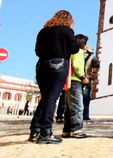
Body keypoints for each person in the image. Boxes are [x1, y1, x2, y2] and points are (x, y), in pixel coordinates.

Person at [29, 10, 79, 144]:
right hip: (58, 65)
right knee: (51, 99)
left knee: (45, 98)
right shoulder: (67, 31)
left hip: (42, 65)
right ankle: (46, 132)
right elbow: (74, 49)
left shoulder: (43, 31)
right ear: (69, 20)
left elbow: (37, 51)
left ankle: (35, 131)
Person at [62, 34, 90, 138]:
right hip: (76, 81)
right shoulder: (78, 52)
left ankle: (67, 130)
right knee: (78, 106)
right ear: (82, 43)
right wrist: (83, 77)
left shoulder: (70, 52)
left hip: (69, 81)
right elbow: (77, 66)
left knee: (69, 107)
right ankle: (76, 130)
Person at [83, 43, 100, 123]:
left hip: (76, 79)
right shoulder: (92, 57)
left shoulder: (76, 54)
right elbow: (96, 66)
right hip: (86, 79)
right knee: (86, 99)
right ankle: (85, 117)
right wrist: (92, 74)